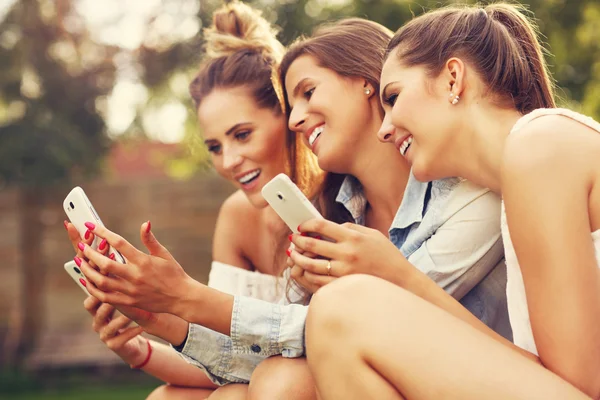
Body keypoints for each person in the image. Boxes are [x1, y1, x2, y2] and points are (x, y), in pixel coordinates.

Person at [72, 17, 509, 394]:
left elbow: (349, 329)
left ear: (365, 82)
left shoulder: (468, 193)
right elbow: (272, 349)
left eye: (306, 93)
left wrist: (184, 300)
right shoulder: (334, 214)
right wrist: (155, 321)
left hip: (476, 380)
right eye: (214, 146)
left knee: (282, 383)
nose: (296, 118)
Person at [303, 3, 600, 399]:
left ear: (453, 79)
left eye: (392, 97)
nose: (384, 129)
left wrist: (401, 277)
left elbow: (582, 384)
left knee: (342, 310)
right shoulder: (518, 186)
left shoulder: (539, 147)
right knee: (336, 328)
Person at [64, 1, 319, 398]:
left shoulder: (339, 197)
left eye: (242, 134)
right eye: (215, 147)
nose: (230, 161)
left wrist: (183, 297)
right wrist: (138, 346)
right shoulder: (237, 216)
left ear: (286, 113)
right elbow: (228, 362)